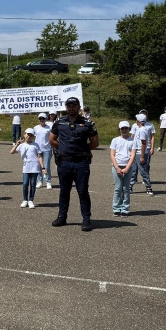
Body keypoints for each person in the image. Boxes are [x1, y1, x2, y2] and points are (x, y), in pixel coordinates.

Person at [49, 97, 99, 231]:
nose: (71, 108)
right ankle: (62, 217)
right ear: (66, 107)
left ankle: (86, 219)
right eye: (69, 105)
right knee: (64, 191)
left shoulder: (87, 123)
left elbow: (95, 142)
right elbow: (52, 139)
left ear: (78, 107)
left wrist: (82, 150)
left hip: (81, 163)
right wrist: (63, 149)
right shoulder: (59, 122)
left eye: (74, 105)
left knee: (82, 191)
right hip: (64, 162)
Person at [11, 128, 45, 209]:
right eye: (27, 134)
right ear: (24, 135)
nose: (28, 136)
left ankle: (31, 200)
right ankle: (25, 200)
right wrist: (17, 144)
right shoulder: (21, 145)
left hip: (35, 167)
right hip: (26, 167)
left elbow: (39, 157)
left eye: (31, 135)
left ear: (33, 136)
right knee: (25, 184)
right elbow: (12, 152)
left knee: (33, 184)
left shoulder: (36, 145)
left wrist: (43, 167)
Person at [109, 120, 137, 217]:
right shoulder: (115, 140)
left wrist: (127, 168)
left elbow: (133, 155)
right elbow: (112, 154)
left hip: (128, 166)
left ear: (129, 129)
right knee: (118, 188)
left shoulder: (133, 141)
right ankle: (116, 208)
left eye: (126, 128)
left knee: (126, 188)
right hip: (117, 166)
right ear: (119, 129)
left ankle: (125, 208)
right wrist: (117, 167)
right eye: (122, 128)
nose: (124, 130)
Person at [130, 113, 155, 196]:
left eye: (137, 120)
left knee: (143, 170)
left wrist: (142, 156)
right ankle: (130, 186)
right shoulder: (140, 129)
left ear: (139, 121)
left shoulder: (142, 130)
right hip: (136, 152)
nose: (136, 121)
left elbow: (143, 143)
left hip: (140, 153)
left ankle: (148, 187)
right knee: (133, 170)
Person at [33, 113, 53, 189]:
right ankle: (39, 181)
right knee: (38, 166)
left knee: (46, 166)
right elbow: (32, 137)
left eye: (43, 118)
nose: (41, 120)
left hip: (47, 149)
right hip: (38, 149)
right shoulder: (35, 128)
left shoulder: (49, 128)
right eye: (40, 118)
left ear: (45, 119)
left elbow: (52, 137)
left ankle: (48, 181)